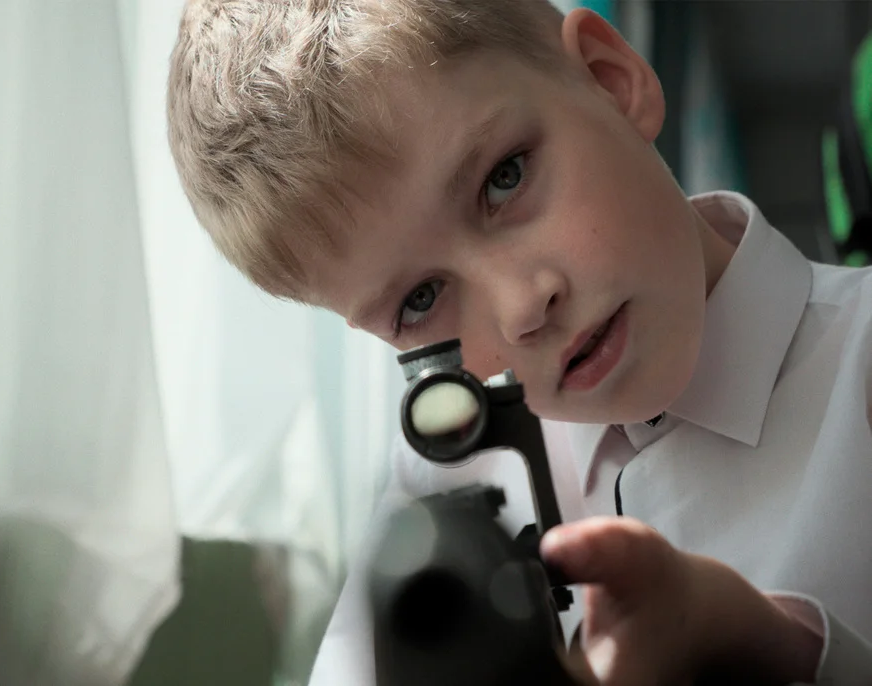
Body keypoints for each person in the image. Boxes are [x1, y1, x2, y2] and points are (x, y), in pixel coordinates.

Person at [166, 0, 872, 683]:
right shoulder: (445, 483)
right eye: (420, 300)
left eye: (503, 178)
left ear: (609, 79)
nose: (521, 308)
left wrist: (775, 650)